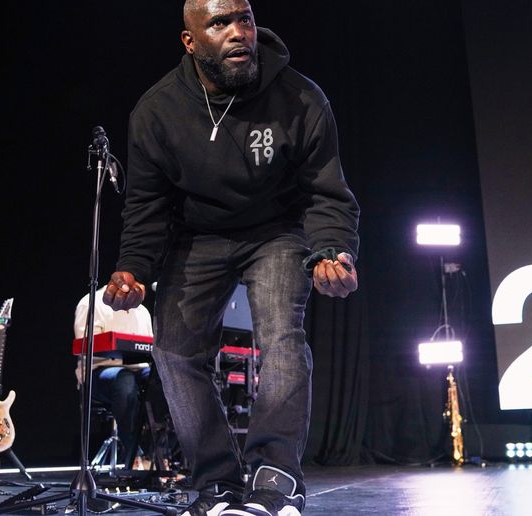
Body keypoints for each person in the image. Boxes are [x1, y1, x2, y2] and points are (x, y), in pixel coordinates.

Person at [103, 1, 360, 515]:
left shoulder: (299, 97)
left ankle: (276, 478)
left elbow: (326, 191)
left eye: (243, 17)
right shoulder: (157, 111)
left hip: (277, 231)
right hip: (198, 236)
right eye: (219, 23)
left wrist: (333, 249)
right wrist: (134, 266)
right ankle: (217, 483)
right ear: (190, 41)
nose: (239, 32)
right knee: (173, 349)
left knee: (281, 338)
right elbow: (147, 206)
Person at [74, 284, 154, 470]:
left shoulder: (142, 311)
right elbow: (85, 348)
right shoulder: (91, 303)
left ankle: (156, 456)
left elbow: (149, 348)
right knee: (125, 379)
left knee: (165, 381)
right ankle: (133, 454)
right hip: (99, 371)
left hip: (138, 369)